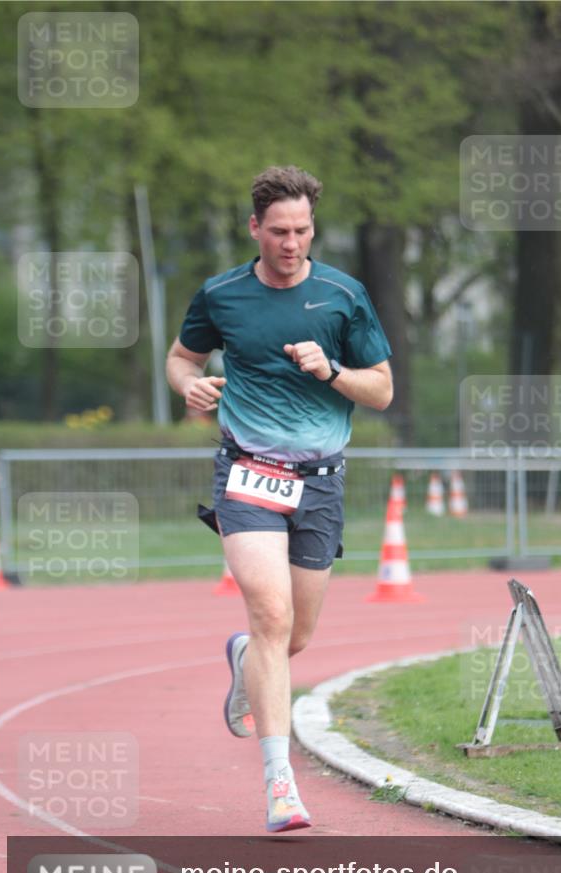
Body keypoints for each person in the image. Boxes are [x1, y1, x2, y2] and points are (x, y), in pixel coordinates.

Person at [166, 165, 393, 833]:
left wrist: (331, 372)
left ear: (311, 229)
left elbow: (380, 390)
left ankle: (244, 661)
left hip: (319, 483)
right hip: (247, 475)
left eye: (301, 231)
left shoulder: (342, 296)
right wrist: (190, 385)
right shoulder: (223, 294)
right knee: (269, 614)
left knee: (293, 636)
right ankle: (280, 784)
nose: (291, 243)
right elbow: (182, 357)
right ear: (254, 229)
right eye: (278, 232)